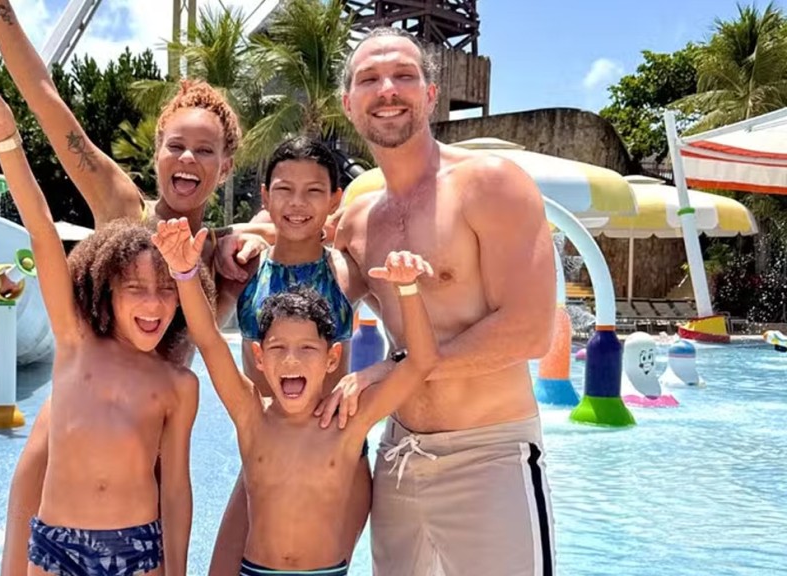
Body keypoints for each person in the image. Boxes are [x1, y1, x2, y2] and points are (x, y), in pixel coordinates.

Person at [0, 4, 265, 572]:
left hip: (151, 447)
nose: (187, 159)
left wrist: (250, 247)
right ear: (156, 153)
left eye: (205, 150)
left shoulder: (222, 256)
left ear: (226, 167)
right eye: (175, 146)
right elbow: (43, 97)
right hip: (69, 437)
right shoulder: (120, 206)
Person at [0, 61, 212, 576]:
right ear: (106, 290)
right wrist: (6, 140)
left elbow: (177, 489)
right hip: (57, 545)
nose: (153, 304)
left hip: (138, 549)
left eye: (167, 291)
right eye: (135, 289)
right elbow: (42, 231)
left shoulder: (178, 385)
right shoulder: (75, 340)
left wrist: (176, 570)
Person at [325, 27, 558, 576]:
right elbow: (309, 293)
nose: (387, 89)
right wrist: (249, 240)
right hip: (398, 460)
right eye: (370, 78)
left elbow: (530, 330)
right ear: (349, 104)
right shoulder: (359, 222)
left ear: (431, 95)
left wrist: (395, 369)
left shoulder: (489, 184)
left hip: (490, 456)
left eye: (404, 75)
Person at [152, 216, 438, 576]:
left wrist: (408, 289)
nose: (291, 359)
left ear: (331, 358)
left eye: (307, 348)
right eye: (278, 347)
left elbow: (421, 362)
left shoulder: (347, 422)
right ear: (259, 357)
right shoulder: (251, 415)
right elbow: (209, 340)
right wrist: (184, 273)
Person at [207, 136, 372, 575]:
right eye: (284, 189)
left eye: (314, 191)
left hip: (337, 463)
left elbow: (410, 336)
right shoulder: (245, 270)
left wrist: (376, 372)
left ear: (335, 200)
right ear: (265, 196)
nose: (297, 203)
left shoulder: (347, 272)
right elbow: (198, 329)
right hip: (268, 453)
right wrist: (228, 239)